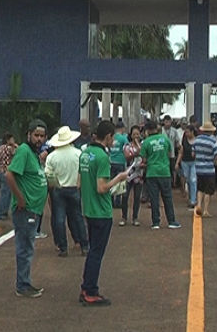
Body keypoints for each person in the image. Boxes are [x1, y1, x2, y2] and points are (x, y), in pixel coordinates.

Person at [78, 120, 129, 306]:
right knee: (96, 253)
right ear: (107, 136)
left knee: (93, 250)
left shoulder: (85, 153)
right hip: (101, 211)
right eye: (112, 137)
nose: (113, 140)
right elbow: (101, 188)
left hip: (89, 208)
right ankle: (90, 290)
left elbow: (79, 183)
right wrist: (119, 178)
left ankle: (86, 287)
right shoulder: (101, 157)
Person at [5, 119, 49, 298]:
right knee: (25, 248)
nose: (39, 139)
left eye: (42, 136)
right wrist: (20, 199)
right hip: (25, 209)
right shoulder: (24, 150)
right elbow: (10, 175)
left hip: (34, 209)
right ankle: (22, 285)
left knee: (28, 247)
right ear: (29, 135)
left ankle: (25, 282)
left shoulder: (34, 154)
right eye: (36, 135)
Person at [45, 126, 89, 258]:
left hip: (59, 189)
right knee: (78, 217)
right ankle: (84, 246)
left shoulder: (52, 157)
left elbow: (49, 175)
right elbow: (82, 171)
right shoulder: (78, 153)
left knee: (59, 218)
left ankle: (63, 247)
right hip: (74, 188)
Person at [141, 121, 181, 229]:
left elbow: (144, 159)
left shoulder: (146, 142)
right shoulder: (165, 139)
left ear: (147, 130)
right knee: (167, 197)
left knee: (154, 199)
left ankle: (155, 222)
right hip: (164, 172)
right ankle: (171, 221)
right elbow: (169, 154)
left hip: (151, 173)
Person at [194, 120, 217, 218]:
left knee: (200, 189)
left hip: (198, 168)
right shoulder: (212, 141)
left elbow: (193, 154)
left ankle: (198, 206)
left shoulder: (196, 140)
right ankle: (205, 210)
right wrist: (215, 162)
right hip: (209, 169)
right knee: (208, 191)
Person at [120, 125, 144, 226]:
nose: (136, 136)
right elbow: (127, 157)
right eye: (134, 134)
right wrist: (136, 152)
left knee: (137, 197)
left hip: (139, 174)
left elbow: (145, 157)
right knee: (125, 196)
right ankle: (124, 217)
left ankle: (135, 217)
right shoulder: (127, 146)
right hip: (129, 174)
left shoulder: (143, 145)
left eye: (137, 134)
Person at [0, 133, 17, 221]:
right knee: (6, 193)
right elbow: (18, 152)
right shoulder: (9, 148)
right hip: (6, 172)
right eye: (12, 139)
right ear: (8, 140)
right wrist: (15, 145)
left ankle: (3, 212)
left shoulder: (0, 148)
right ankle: (1, 213)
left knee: (5, 192)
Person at [176, 125, 198, 209]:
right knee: (187, 179)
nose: (186, 133)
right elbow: (181, 152)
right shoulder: (184, 140)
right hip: (185, 162)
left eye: (188, 132)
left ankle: (193, 200)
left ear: (192, 132)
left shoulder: (197, 140)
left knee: (193, 179)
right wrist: (177, 162)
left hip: (194, 162)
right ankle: (191, 196)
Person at [109, 121, 129, 208]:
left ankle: (111, 201)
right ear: (122, 128)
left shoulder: (112, 137)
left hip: (111, 161)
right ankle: (117, 202)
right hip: (120, 162)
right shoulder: (123, 138)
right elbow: (127, 149)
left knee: (111, 182)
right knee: (119, 182)